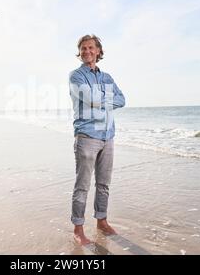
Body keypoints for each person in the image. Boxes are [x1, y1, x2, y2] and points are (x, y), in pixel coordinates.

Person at [69, 34, 126, 245]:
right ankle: (78, 229)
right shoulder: (76, 76)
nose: (86, 51)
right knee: (82, 185)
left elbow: (123, 100)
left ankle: (102, 221)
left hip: (108, 136)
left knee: (104, 184)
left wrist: (99, 99)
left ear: (98, 51)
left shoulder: (107, 77)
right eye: (83, 48)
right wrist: (104, 99)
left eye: (90, 47)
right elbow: (91, 100)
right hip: (86, 136)